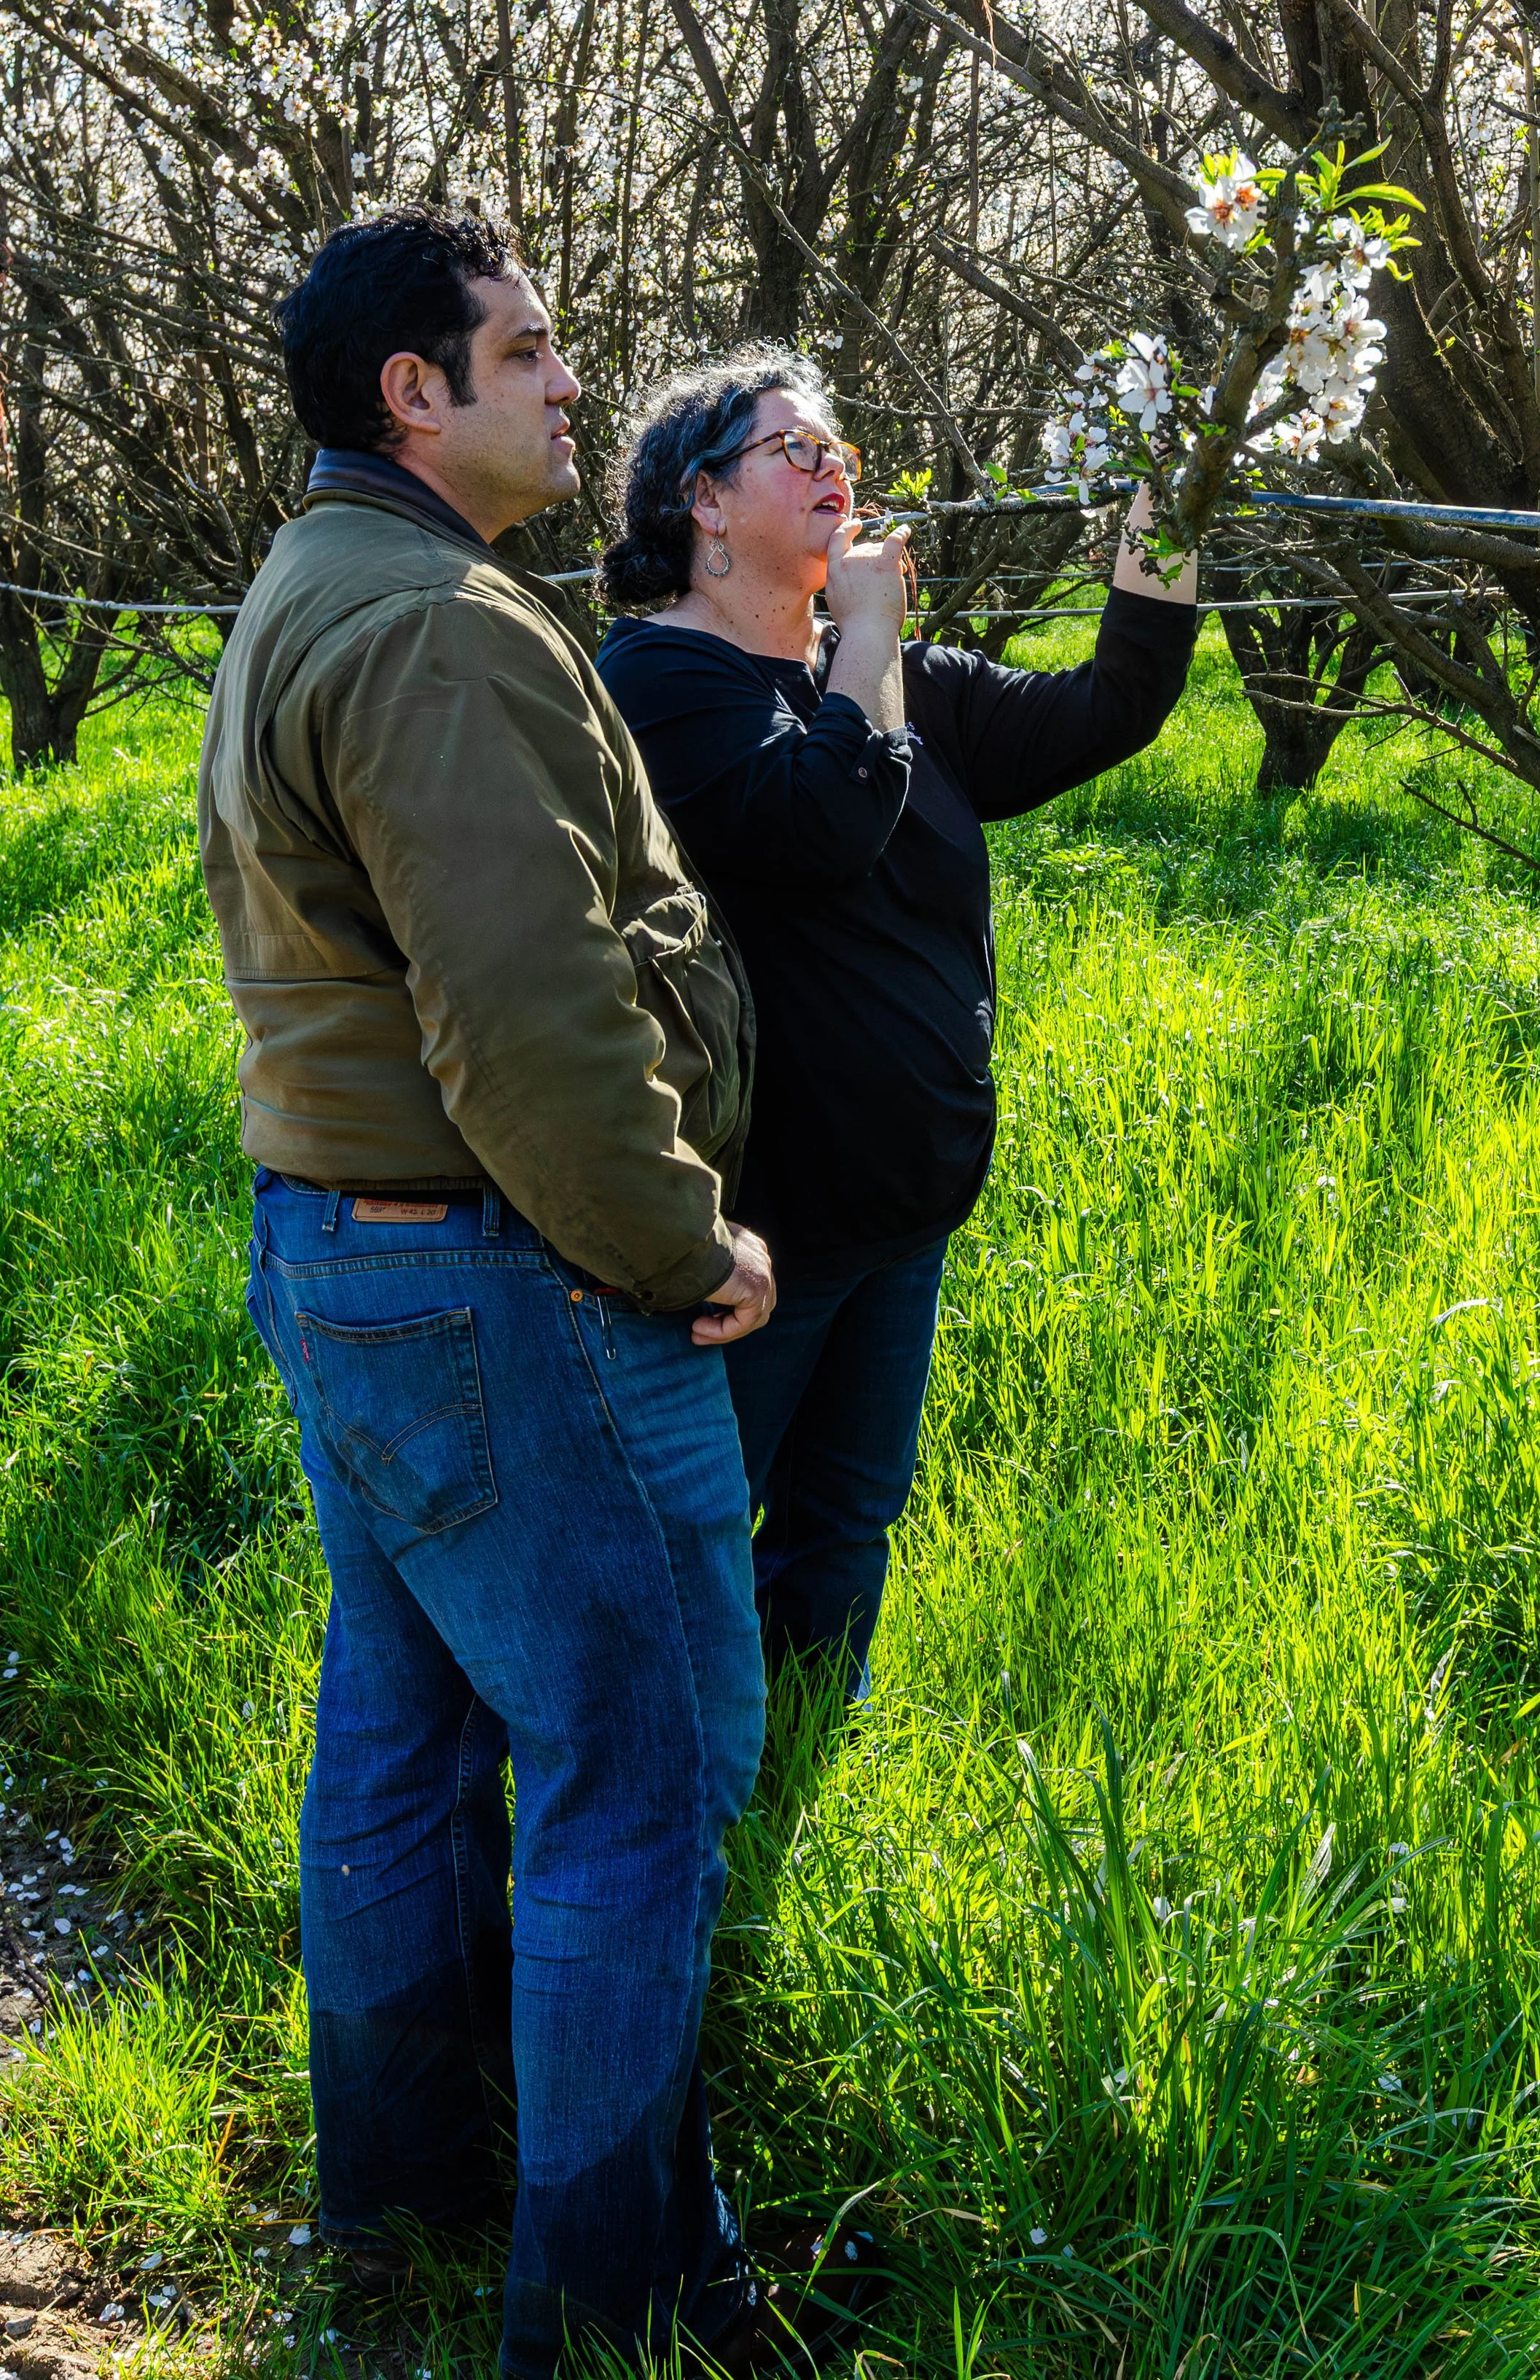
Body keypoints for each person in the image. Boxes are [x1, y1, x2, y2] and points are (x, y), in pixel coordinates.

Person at [197, 211, 807, 2380]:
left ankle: (395, 2203)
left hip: (347, 1250)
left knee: (396, 1728)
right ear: (413, 393)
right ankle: (598, 2299)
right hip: (500, 1267)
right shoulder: (442, 627)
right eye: (529, 350)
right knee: (639, 1775)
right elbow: (527, 1023)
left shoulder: (311, 579)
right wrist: (680, 1241)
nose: (573, 382)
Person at [595, 347, 1198, 1704]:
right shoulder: (656, 686)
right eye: (796, 451)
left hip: (904, 1204)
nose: (836, 471)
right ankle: (666, 1805)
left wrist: (1177, 513)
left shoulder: (886, 676)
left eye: (839, 451)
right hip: (754, 1224)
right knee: (694, 1541)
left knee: (847, 1528)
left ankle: (796, 1774)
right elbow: (823, 822)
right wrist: (864, 634)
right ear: (702, 500)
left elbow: (1116, 705)